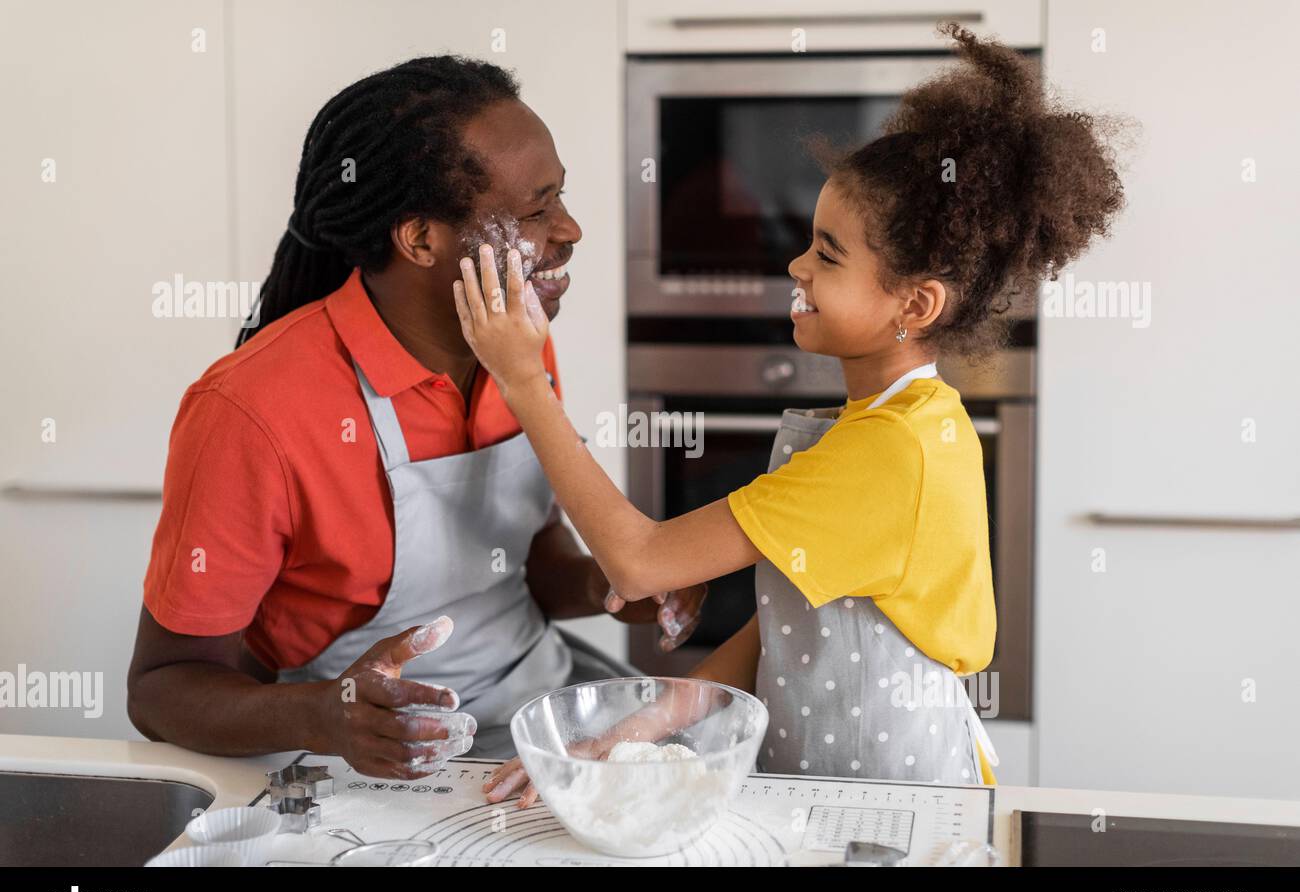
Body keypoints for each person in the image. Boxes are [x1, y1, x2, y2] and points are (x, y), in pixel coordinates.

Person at [466, 24, 1125, 807]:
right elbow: (787, 621)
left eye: (828, 253)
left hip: (893, 803)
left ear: (914, 305)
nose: (796, 266)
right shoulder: (896, 420)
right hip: (833, 787)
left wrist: (521, 381)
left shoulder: (889, 454)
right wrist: (643, 725)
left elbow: (638, 561)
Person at [126, 56, 706, 776]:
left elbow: (521, 563)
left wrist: (609, 587)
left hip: (539, 723)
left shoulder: (519, 347)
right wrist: (324, 715)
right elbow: (159, 689)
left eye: (561, 197)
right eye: (534, 211)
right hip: (358, 770)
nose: (571, 229)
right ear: (422, 240)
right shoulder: (253, 411)